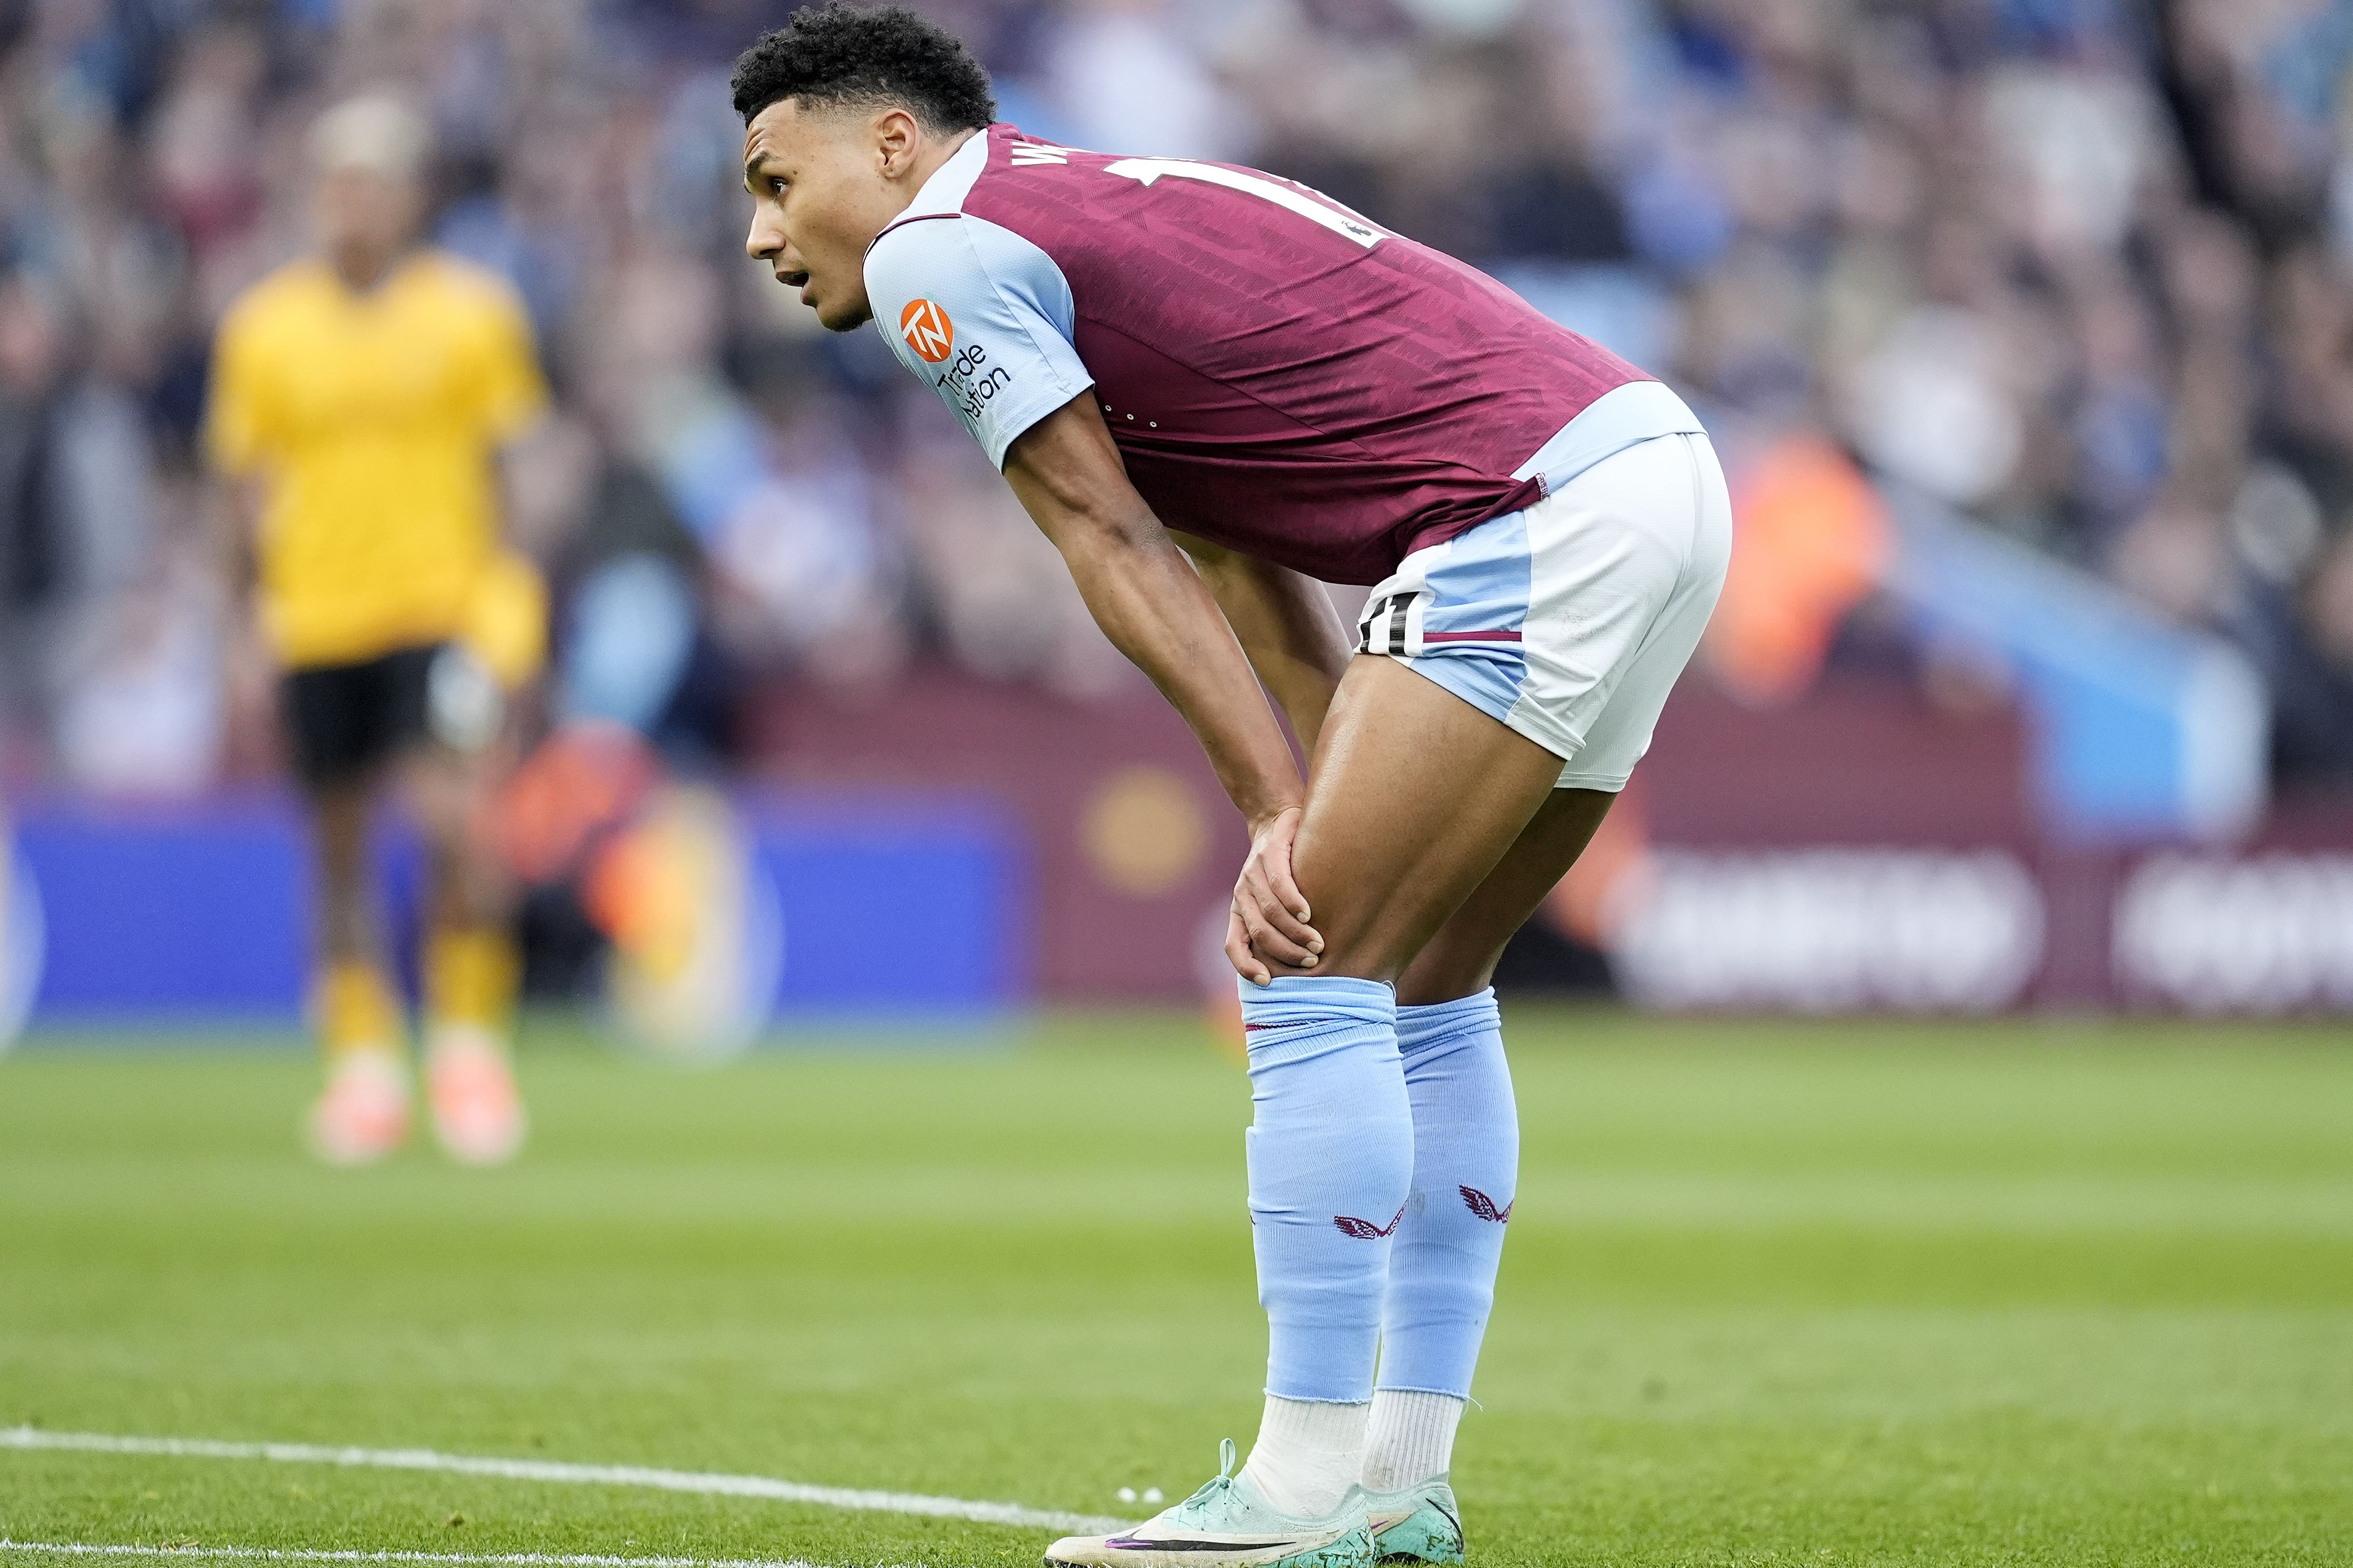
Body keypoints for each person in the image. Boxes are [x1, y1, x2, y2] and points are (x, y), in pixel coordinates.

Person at [732, 8, 1727, 1565]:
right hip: (1651, 467)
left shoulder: (945, 250)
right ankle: (1398, 1483)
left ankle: (1294, 1485)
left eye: (778, 182)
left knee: (1305, 955)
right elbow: (1227, 531)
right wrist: (1318, 771)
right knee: (1430, 977)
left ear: (893, 143)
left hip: (1524, 510)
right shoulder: (1084, 210)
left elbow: (1110, 544)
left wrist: (1280, 814)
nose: (760, 234)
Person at [207, 94, 548, 1166]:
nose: (352, 202)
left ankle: (466, 1049)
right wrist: (242, 624)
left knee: (456, 822)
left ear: (408, 198)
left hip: (444, 609)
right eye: (336, 182)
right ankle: (362, 1064)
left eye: (373, 182)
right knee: (339, 846)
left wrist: (515, 607)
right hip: (316, 618)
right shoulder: (265, 326)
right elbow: (243, 494)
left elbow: (511, 475)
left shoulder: (472, 314)